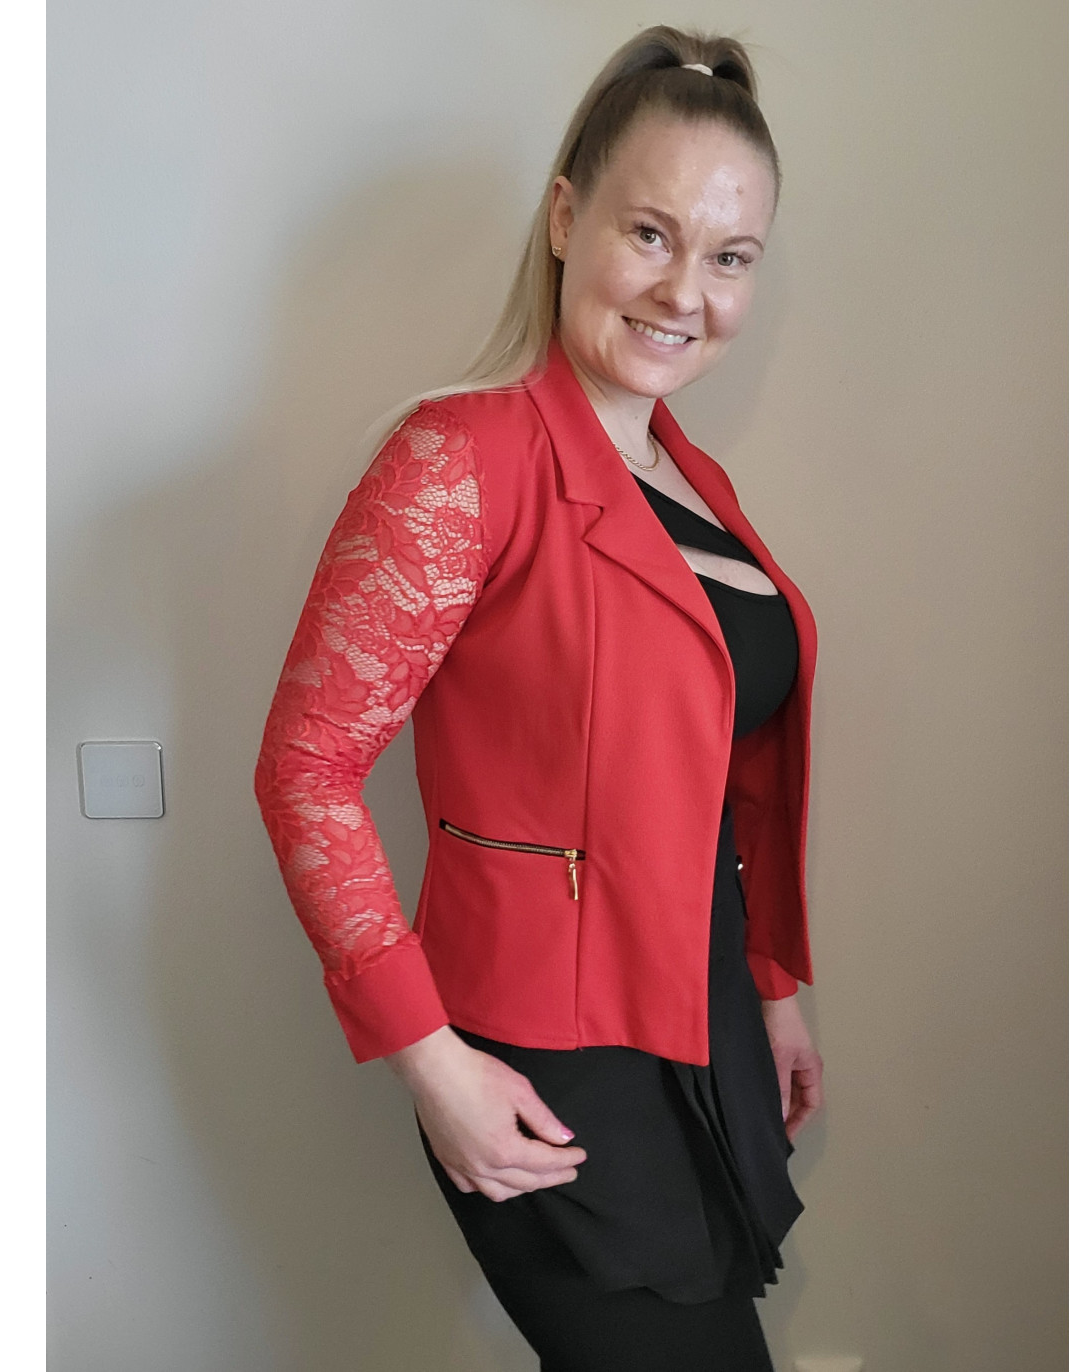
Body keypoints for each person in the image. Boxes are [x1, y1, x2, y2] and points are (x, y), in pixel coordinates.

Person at [254, 24, 824, 1372]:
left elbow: (718, 768)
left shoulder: (695, 482)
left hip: (702, 1020)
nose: (686, 291)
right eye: (651, 233)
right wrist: (428, 1058)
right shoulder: (459, 461)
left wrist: (771, 985)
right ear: (567, 219)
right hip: (544, 1066)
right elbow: (307, 769)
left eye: (731, 257)